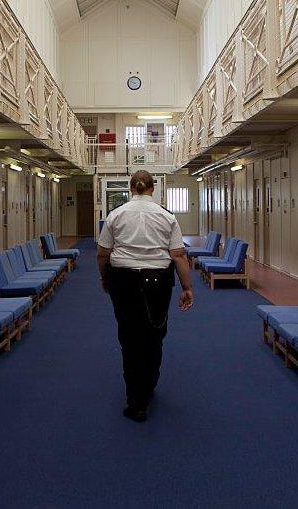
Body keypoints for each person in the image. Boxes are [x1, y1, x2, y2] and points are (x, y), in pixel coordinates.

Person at [97, 170, 194, 423]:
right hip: (158, 283)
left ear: (131, 188)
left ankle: (135, 402)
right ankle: (149, 386)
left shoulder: (115, 215)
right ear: (153, 189)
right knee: (155, 334)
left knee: (129, 339)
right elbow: (179, 255)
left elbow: (102, 253)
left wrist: (106, 278)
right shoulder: (167, 216)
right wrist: (187, 287)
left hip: (124, 281)